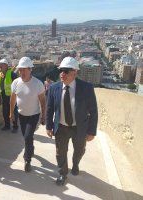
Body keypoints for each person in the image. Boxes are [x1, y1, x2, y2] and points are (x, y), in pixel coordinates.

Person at [46, 57, 98, 186]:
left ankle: (75, 164)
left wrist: (92, 131)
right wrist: (48, 126)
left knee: (79, 150)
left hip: (79, 127)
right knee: (60, 153)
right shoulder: (54, 88)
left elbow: (93, 111)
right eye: (61, 70)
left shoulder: (86, 88)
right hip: (61, 127)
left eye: (66, 71)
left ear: (75, 72)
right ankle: (62, 173)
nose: (62, 74)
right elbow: (49, 108)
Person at [10, 57, 46, 172]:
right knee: (27, 138)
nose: (22, 72)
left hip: (34, 115)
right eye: (20, 70)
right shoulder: (16, 83)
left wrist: (43, 116)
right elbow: (12, 99)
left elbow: (43, 101)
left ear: (31, 69)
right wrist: (11, 113)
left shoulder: (38, 84)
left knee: (27, 137)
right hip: (21, 115)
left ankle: (27, 160)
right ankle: (31, 148)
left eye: (24, 69)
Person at [0, 58, 19, 133]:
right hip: (4, 97)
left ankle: (15, 126)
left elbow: (17, 84)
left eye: (1, 65)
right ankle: (7, 125)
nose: (0, 67)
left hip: (12, 97)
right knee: (5, 112)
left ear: (6, 66)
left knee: (13, 112)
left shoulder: (12, 74)